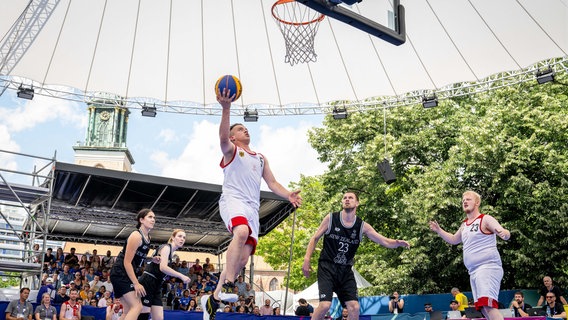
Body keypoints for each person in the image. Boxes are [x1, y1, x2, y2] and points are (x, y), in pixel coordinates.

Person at [201, 89, 302, 320]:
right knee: (241, 231)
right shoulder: (231, 151)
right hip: (233, 200)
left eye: (244, 128)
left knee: (244, 259)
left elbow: (272, 182)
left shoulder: (260, 157)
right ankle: (227, 284)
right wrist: (226, 108)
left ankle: (213, 300)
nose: (244, 129)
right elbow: (222, 138)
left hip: (252, 209)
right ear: (233, 137)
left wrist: (288, 195)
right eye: (239, 129)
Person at [302, 191, 410, 320]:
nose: (347, 200)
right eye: (344, 198)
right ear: (342, 202)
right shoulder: (331, 219)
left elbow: (384, 241)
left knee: (354, 307)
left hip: (345, 270)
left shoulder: (362, 226)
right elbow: (314, 238)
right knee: (325, 305)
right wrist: (307, 259)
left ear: (357, 203)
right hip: (327, 267)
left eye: (350, 198)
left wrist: (398, 243)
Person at [429, 190, 510, 320]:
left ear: (477, 202)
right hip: (473, 271)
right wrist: (439, 230)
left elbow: (504, 232)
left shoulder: (485, 219)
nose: (464, 201)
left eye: (468, 199)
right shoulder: (464, 225)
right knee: (484, 308)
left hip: (487, 267)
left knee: (488, 306)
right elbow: (454, 240)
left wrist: (504, 233)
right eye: (463, 200)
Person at [110, 208, 155, 320]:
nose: (153, 219)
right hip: (121, 272)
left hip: (126, 273)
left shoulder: (148, 238)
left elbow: (138, 258)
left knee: (128, 310)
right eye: (150, 217)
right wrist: (136, 283)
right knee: (137, 306)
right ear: (141, 220)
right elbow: (127, 262)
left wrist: (152, 259)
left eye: (154, 217)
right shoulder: (136, 236)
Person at [137, 229, 191, 320]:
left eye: (184, 237)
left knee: (159, 318)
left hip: (157, 285)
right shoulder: (166, 248)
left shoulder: (171, 254)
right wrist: (181, 275)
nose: (182, 239)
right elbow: (163, 268)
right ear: (173, 238)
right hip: (148, 282)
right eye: (180, 236)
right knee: (143, 315)